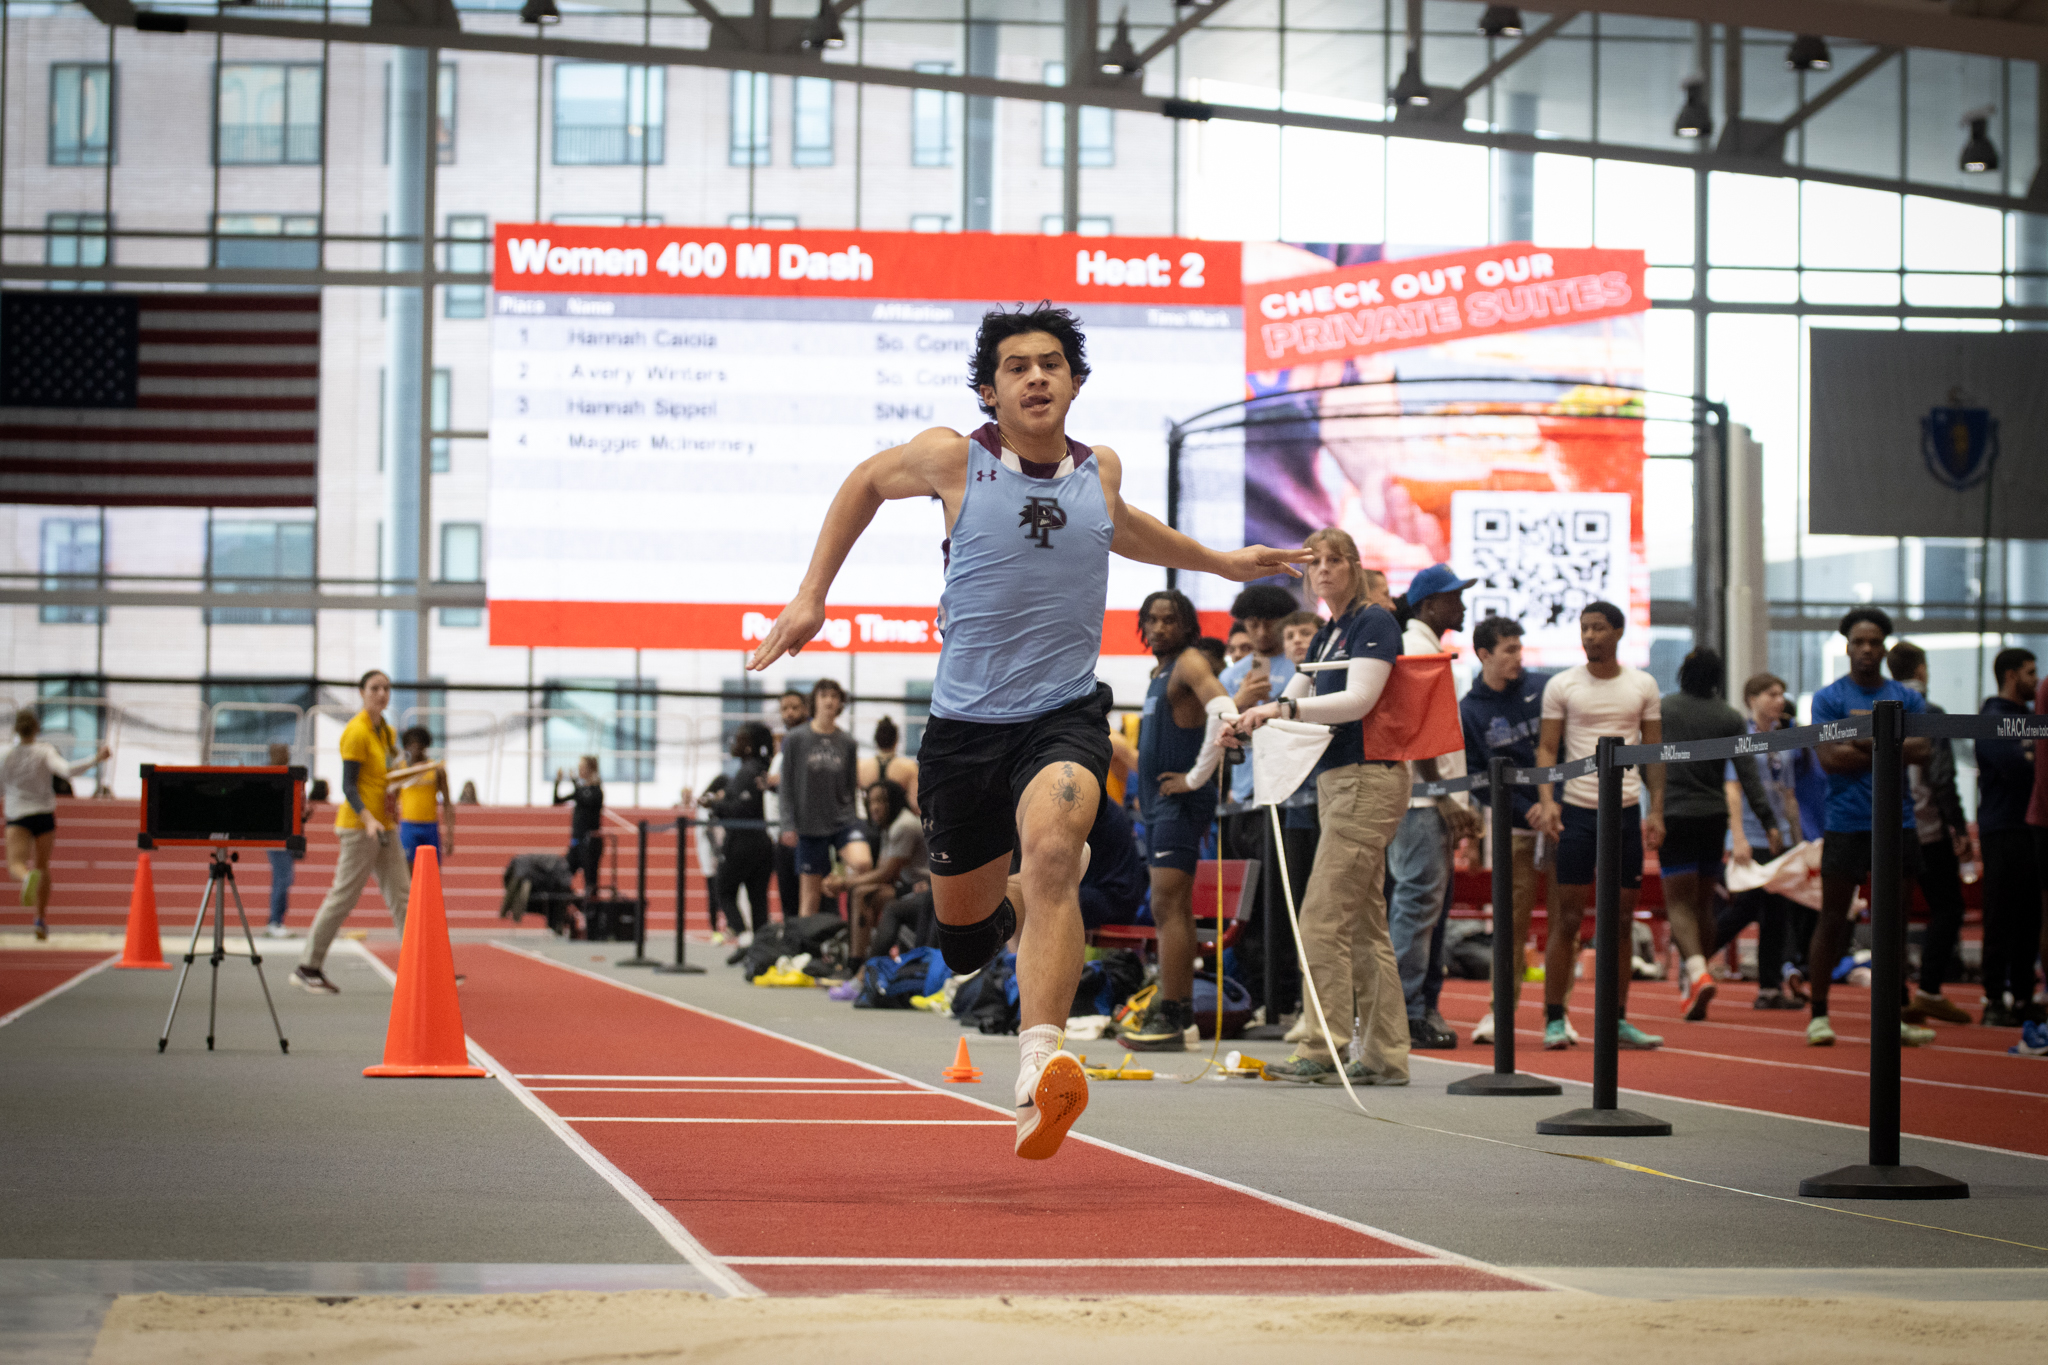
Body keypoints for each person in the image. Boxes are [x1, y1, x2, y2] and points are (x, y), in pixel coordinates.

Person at [745, 303, 1303, 1159]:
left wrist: (1223, 564)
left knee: (1051, 850)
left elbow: (1127, 529)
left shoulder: (1099, 471)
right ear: (990, 388)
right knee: (962, 938)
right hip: (965, 729)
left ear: (1075, 382)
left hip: (1063, 714)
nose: (1037, 375)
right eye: (1017, 366)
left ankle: (1039, 1066)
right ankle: (1015, 893)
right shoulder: (953, 458)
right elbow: (862, 482)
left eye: (1052, 363)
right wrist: (812, 594)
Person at [1236, 527, 1409, 1086]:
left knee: (1321, 917)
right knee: (1362, 926)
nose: (1325, 570)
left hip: (1370, 779)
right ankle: (1385, 1055)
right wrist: (1247, 724)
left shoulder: (1373, 622)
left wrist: (1279, 707)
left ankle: (1321, 1045)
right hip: (1339, 782)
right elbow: (1299, 712)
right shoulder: (1327, 635)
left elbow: (1358, 702)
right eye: (1316, 563)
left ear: (1356, 566)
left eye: (1336, 560)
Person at [1529, 602, 1665, 1051]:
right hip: (1576, 812)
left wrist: (1656, 810)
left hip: (1624, 812)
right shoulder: (1562, 684)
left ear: (1618, 632)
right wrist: (1547, 801)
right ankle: (1554, 1018)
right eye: (1584, 628)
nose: (1590, 636)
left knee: (1622, 921)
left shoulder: (1642, 685)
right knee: (1566, 919)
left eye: (1598, 628)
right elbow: (1547, 749)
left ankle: (1618, 1020)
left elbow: (1654, 752)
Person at [1806, 608, 1938, 1048]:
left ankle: (1893, 1016)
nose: (1866, 649)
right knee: (1832, 919)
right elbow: (1829, 759)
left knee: (1894, 922)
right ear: (1847, 646)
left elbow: (1923, 751)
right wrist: (1887, 742)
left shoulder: (1906, 697)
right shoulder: (1827, 698)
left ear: (1884, 648)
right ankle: (1819, 1015)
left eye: (1875, 642)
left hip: (1896, 823)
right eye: (1859, 642)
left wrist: (1859, 738)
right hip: (1845, 822)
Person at [1122, 588, 1236, 1051]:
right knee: (1171, 906)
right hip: (1156, 806)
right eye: (1151, 619)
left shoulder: (1189, 662)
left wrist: (1194, 777)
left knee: (1167, 904)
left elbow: (1226, 712)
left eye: (1169, 620)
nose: (1159, 627)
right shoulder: (1159, 672)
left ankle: (1175, 1011)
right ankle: (1175, 1005)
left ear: (1188, 625)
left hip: (1178, 804)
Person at [1657, 648, 1779, 1022]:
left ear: (1682, 672)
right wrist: (1769, 820)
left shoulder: (1665, 709)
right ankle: (1697, 974)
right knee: (1705, 903)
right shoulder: (1727, 716)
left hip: (1675, 813)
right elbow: (1746, 771)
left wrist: (1650, 809)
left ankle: (1696, 974)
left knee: (1678, 903)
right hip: (1713, 816)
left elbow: (1647, 761)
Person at [1388, 563, 1480, 1050]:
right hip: (1424, 802)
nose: (1461, 605)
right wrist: (1444, 798)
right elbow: (1415, 734)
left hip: (1429, 799)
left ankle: (1415, 1006)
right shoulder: (1417, 650)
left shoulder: (1425, 648)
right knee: (1417, 905)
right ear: (1428, 605)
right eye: (1454, 597)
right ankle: (1404, 1012)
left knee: (1423, 907)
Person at [1215, 583, 1303, 1016]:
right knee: (1248, 907)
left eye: (1270, 622)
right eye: (1252, 623)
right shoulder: (1233, 675)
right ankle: (1256, 994)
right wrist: (1239, 702)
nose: (1262, 630)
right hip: (1245, 801)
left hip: (1290, 796)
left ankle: (1287, 993)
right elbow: (1213, 733)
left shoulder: (1301, 665)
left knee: (1286, 902)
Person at [1459, 615, 1547, 1044]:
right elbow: (1478, 777)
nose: (1518, 657)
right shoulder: (1469, 710)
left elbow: (1565, 748)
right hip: (1515, 825)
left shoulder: (1542, 690)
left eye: (1519, 648)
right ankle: (1500, 1012)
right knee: (1510, 925)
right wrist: (1529, 808)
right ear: (1484, 655)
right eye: (1509, 650)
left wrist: (1554, 802)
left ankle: (1557, 1014)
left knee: (1571, 917)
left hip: (1566, 814)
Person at [294, 670, 409, 994]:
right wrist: (368, 818)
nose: (382, 693)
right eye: (375, 688)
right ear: (362, 692)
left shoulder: (385, 731)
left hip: (385, 826)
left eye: (386, 688)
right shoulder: (356, 732)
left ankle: (419, 966)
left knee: (405, 896)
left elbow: (388, 774)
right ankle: (308, 965)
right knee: (343, 896)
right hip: (360, 828)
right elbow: (348, 785)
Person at [1883, 640, 1972, 1026]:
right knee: (1949, 908)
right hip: (1928, 829)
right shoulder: (1930, 712)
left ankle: (1898, 996)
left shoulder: (1883, 708)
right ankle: (1930, 990)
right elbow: (1941, 777)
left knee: (1895, 915)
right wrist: (1959, 826)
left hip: (1893, 827)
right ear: (1921, 670)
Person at [1711, 673, 1812, 1009]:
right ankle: (1695, 957)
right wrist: (1736, 836)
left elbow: (1789, 794)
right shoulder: (1741, 736)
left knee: (1777, 912)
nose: (1779, 700)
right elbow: (1732, 788)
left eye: (1782, 693)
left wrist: (1797, 841)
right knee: (1746, 906)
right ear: (1752, 698)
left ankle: (1769, 989)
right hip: (1751, 836)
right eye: (1771, 693)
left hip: (1779, 837)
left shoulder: (1784, 741)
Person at [1975, 647, 2040, 1027]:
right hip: (2002, 829)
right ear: (2012, 675)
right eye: (2031, 673)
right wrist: (2034, 760)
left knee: (2030, 919)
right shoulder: (1992, 719)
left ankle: (2023, 997)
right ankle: (1993, 998)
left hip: (2032, 829)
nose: (2037, 679)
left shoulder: (2033, 719)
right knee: (2000, 917)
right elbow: (2019, 768)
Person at [3, 710, 111, 940]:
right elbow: (68, 771)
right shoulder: (45, 751)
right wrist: (96, 758)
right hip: (44, 815)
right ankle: (40, 919)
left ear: (16, 730)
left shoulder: (5, 754)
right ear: (37, 728)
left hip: (17, 814)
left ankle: (25, 878)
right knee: (43, 866)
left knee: (16, 864)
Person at [780, 678, 871, 919]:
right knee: (809, 900)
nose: (830, 701)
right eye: (824, 696)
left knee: (863, 863)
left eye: (834, 696)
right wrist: (787, 824)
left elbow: (852, 786)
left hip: (843, 821)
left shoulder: (848, 742)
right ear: (815, 701)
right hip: (810, 825)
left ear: (840, 703)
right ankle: (805, 953)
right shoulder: (797, 739)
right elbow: (786, 784)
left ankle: (843, 891)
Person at [826, 778, 929, 959]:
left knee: (862, 894)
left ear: (894, 801)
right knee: (861, 891)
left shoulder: (904, 825)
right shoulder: (888, 826)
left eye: (880, 801)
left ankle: (860, 961)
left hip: (922, 888)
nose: (874, 807)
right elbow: (881, 869)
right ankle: (860, 957)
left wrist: (844, 883)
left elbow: (887, 873)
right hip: (906, 885)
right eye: (871, 801)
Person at [702, 722, 776, 939]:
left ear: (749, 744)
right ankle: (761, 946)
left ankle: (744, 938)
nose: (734, 742)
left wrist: (715, 804)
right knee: (758, 898)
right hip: (761, 841)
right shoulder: (758, 768)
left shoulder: (749, 771)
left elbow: (741, 809)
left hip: (743, 841)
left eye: (740, 738)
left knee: (723, 889)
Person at [765, 689, 809, 921]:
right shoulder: (787, 741)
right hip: (786, 830)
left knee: (809, 898)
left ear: (806, 709)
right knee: (789, 898)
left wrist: (778, 781)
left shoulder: (809, 737)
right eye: (785, 708)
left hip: (807, 831)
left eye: (795, 707)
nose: (789, 713)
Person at [390, 726, 455, 871]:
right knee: (406, 873)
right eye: (411, 745)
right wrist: (391, 830)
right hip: (408, 826)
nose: (416, 749)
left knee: (432, 872)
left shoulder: (436, 769)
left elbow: (447, 804)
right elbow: (392, 802)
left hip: (430, 827)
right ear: (406, 747)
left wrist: (449, 834)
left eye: (420, 745)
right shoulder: (400, 770)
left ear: (426, 746)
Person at [552, 755, 605, 895]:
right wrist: (557, 781)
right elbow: (557, 801)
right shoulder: (581, 790)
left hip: (590, 844)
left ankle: (591, 913)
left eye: (582, 767)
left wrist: (574, 780)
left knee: (590, 884)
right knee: (562, 876)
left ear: (590, 769)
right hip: (576, 843)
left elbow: (584, 797)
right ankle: (568, 908)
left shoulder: (596, 791)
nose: (579, 770)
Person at [857, 716, 921, 814]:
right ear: (896, 740)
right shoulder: (909, 768)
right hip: (898, 825)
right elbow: (914, 804)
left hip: (870, 824)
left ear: (876, 740)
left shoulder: (861, 766)